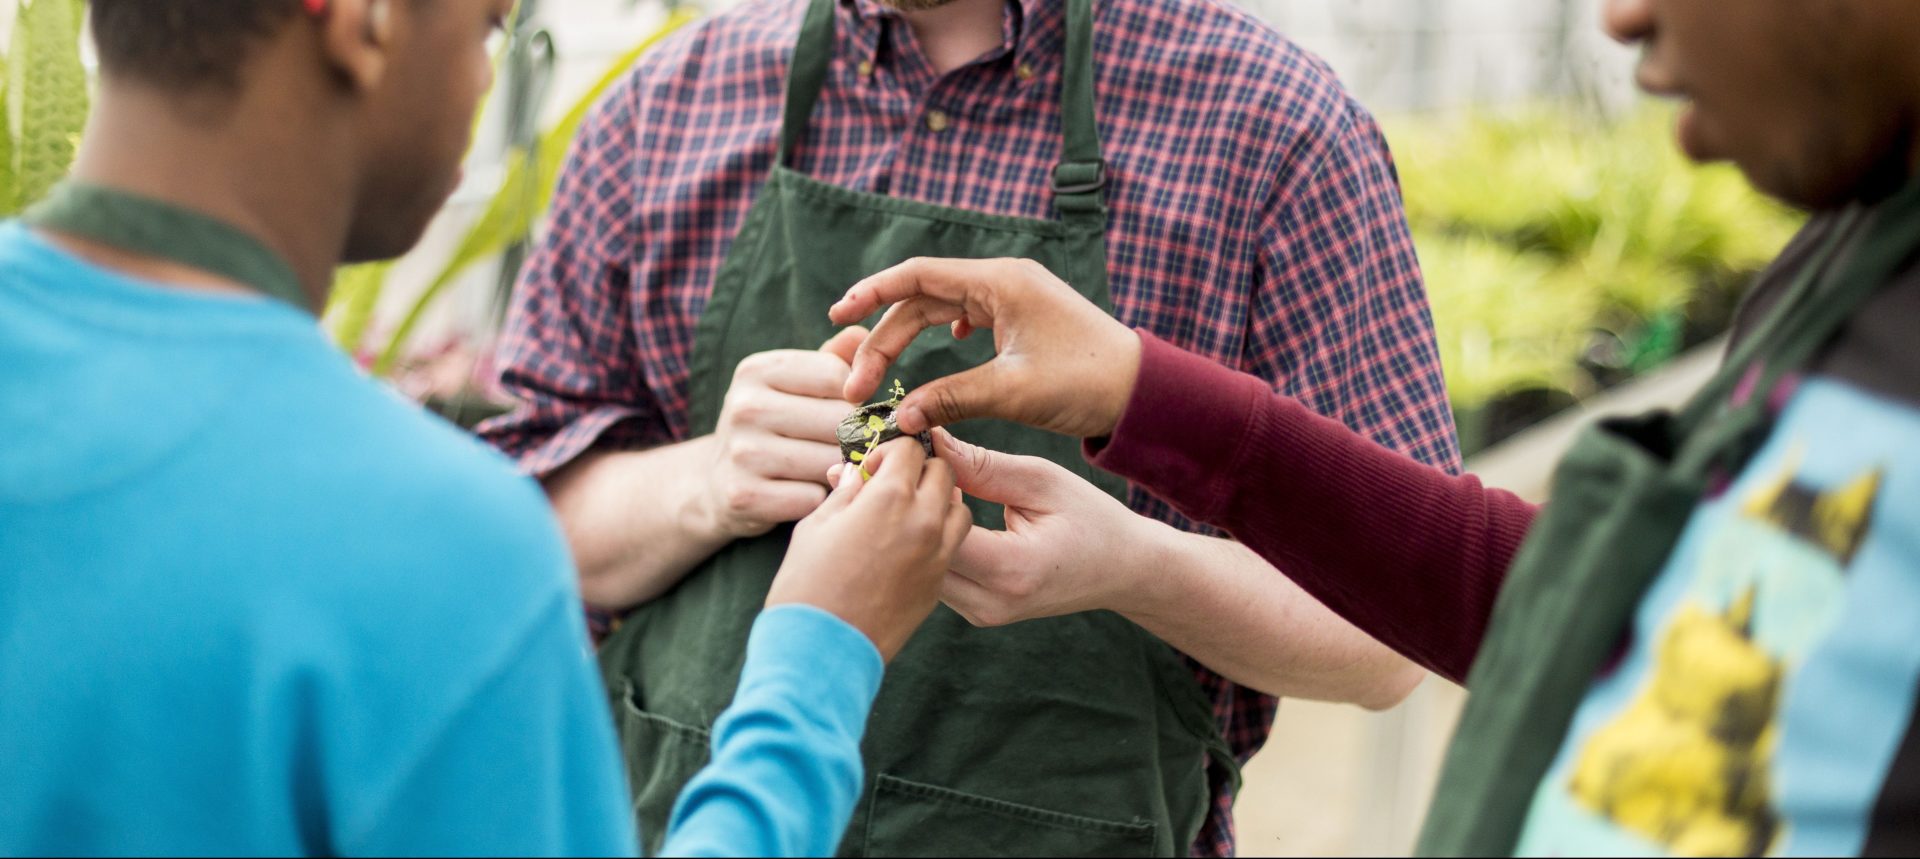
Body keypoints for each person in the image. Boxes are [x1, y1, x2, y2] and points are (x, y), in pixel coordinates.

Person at [824, 0, 1920, 854]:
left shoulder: (1275, 119)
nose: (1621, 21)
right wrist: (1138, 392)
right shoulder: (1839, 270)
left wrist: (1138, 564)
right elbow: (1569, 606)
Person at [482, 0, 1459, 849]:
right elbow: (522, 538)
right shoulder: (664, 112)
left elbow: (1389, 639)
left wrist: (1133, 569)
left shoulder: (1271, 131)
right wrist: (704, 481)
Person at [0, 0, 971, 855]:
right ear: (364, 19)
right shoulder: (429, 544)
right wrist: (818, 660)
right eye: (486, 28)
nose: (479, 82)